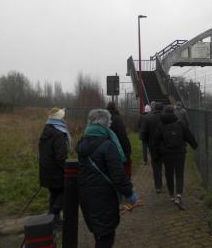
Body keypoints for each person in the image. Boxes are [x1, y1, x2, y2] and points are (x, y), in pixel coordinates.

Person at [76, 109, 139, 248]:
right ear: (104, 123)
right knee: (106, 238)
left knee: (99, 234)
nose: (110, 123)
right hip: (104, 198)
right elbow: (118, 175)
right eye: (109, 121)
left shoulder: (82, 143)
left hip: (86, 196)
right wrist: (130, 194)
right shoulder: (108, 145)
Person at [154, 105, 197, 210]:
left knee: (169, 174)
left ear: (164, 112)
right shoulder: (180, 124)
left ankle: (171, 195)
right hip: (180, 153)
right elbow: (188, 135)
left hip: (167, 154)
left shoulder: (161, 125)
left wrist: (157, 153)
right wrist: (194, 145)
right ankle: (178, 196)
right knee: (179, 174)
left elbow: (155, 141)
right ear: (174, 112)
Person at [38, 107, 71, 227]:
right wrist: (68, 170)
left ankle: (53, 221)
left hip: (46, 170)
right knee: (65, 191)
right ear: (59, 119)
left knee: (54, 194)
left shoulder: (46, 131)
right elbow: (61, 157)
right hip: (56, 172)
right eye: (62, 117)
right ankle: (54, 214)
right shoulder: (58, 134)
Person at [141, 102, 164, 193]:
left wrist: (146, 142)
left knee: (156, 166)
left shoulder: (148, 118)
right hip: (165, 145)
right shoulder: (165, 118)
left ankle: (158, 186)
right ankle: (169, 184)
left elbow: (144, 133)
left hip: (153, 145)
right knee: (166, 165)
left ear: (154, 109)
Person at [106, 102, 132, 180]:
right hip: (118, 150)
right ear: (115, 108)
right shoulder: (118, 118)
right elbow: (123, 136)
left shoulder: (104, 119)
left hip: (106, 150)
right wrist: (127, 152)